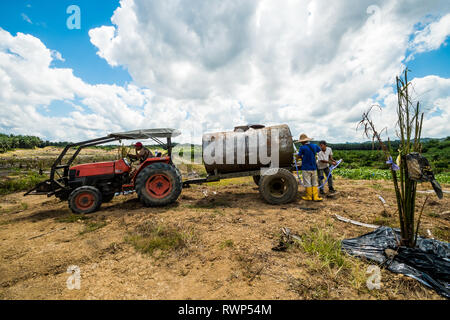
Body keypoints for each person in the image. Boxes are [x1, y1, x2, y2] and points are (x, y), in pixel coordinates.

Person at [296, 133, 322, 201]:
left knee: (307, 182)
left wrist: (296, 160)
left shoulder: (302, 148)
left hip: (306, 167)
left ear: (303, 141)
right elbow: (319, 151)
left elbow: (299, 156)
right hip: (314, 167)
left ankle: (309, 197)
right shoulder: (314, 146)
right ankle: (316, 197)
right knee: (314, 182)